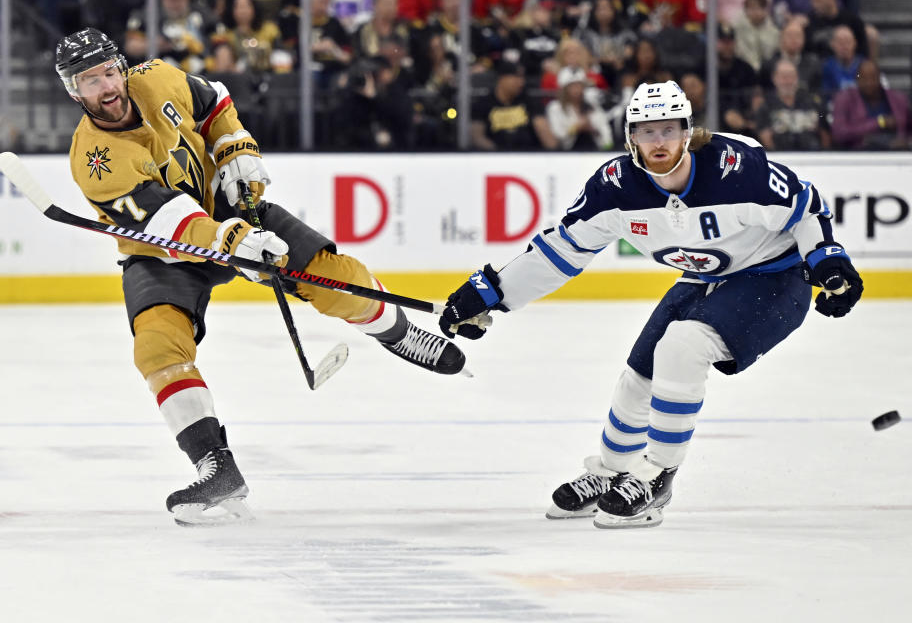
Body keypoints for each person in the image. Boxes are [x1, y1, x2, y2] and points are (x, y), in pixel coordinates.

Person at [55, 27, 467, 526]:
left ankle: (399, 334)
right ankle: (216, 465)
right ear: (73, 91)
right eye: (88, 80)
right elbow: (166, 223)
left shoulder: (158, 77)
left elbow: (214, 104)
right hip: (162, 252)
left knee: (334, 276)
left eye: (107, 71)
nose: (105, 87)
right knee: (157, 348)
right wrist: (233, 244)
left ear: (121, 68)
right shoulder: (94, 160)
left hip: (229, 207)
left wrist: (234, 148)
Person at [438, 80, 863, 528]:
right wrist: (492, 294)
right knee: (639, 376)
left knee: (682, 347)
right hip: (706, 276)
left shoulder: (736, 167)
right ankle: (612, 472)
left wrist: (828, 260)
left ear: (687, 132)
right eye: (646, 131)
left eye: (668, 130)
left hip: (776, 277)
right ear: (630, 138)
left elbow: (805, 204)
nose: (658, 142)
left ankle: (658, 475)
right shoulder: (616, 188)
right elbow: (561, 252)